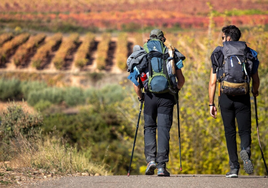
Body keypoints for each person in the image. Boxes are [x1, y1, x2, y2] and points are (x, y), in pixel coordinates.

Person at [131, 29, 185, 176]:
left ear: (150, 39)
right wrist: (175, 91)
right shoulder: (170, 53)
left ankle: (151, 160)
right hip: (167, 97)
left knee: (149, 128)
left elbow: (136, 83)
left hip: (149, 97)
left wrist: (141, 97)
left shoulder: (143, 54)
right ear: (163, 39)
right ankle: (161, 167)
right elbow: (181, 81)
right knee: (163, 130)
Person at [209, 25, 260, 178]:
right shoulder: (250, 53)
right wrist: (255, 91)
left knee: (229, 131)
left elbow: (212, 82)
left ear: (228, 38)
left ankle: (233, 168)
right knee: (244, 130)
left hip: (225, 96)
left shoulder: (219, 52)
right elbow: (256, 79)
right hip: (243, 95)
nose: (222, 40)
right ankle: (245, 148)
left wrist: (211, 103)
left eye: (223, 38)